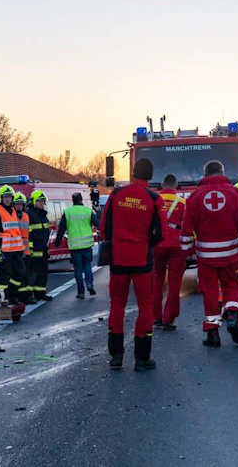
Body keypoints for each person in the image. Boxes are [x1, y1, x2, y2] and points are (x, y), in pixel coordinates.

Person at [181, 160, 238, 347]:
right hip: (231, 253)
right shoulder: (236, 194)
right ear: (222, 172)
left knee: (209, 291)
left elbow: (186, 228)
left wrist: (187, 250)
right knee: (232, 286)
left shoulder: (195, 196)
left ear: (205, 174)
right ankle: (232, 314)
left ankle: (213, 333)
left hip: (206, 255)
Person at [100, 158, 164, 370]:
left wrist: (113, 244)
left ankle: (116, 355)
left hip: (118, 257)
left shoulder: (117, 194)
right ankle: (142, 357)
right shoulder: (154, 199)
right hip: (142, 259)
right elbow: (159, 234)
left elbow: (105, 224)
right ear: (150, 175)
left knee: (117, 304)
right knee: (146, 305)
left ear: (134, 172)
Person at [153, 174, 186, 331]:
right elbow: (188, 226)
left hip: (157, 245)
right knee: (174, 283)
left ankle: (156, 317)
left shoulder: (154, 201)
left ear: (161, 184)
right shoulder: (182, 203)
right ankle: (169, 318)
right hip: (176, 245)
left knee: (156, 281)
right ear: (176, 185)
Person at [54, 192, 99, 299]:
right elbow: (97, 223)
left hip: (74, 246)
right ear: (81, 200)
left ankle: (81, 292)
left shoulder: (68, 212)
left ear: (72, 201)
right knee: (87, 266)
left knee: (78, 269)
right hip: (87, 245)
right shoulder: (88, 211)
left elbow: (61, 229)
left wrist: (57, 242)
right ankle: (89, 284)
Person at [0, 185, 27, 305]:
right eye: (5, 197)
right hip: (4, 249)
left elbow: (16, 230)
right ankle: (2, 298)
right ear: (1, 198)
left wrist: (22, 248)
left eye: (10, 197)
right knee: (4, 276)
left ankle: (12, 294)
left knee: (20, 271)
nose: (8, 199)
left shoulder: (13, 210)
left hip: (16, 249)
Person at [25, 190, 53, 302]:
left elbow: (45, 232)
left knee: (43, 272)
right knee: (32, 273)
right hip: (33, 251)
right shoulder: (29, 214)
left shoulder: (43, 215)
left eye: (43, 201)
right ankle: (29, 295)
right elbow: (27, 234)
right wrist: (30, 249)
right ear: (34, 201)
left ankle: (40, 293)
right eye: (40, 201)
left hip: (42, 249)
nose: (42, 204)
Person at [11, 192, 36, 304]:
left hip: (26, 250)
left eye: (21, 204)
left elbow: (29, 234)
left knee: (26, 274)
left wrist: (30, 249)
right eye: (17, 204)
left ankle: (26, 296)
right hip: (15, 250)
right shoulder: (11, 216)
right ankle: (16, 296)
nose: (19, 206)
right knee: (17, 274)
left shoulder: (26, 216)